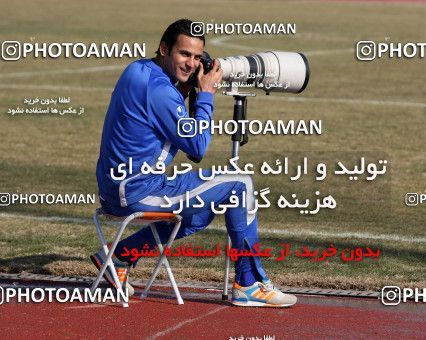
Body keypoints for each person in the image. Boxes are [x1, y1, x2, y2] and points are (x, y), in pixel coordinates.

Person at [91, 19, 297, 307]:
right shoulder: (161, 91)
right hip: (139, 192)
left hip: (115, 190)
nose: (191, 64)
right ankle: (249, 283)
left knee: (198, 213)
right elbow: (197, 147)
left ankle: (118, 256)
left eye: (197, 57)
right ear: (164, 48)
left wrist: (188, 90)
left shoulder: (136, 70)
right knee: (240, 184)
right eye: (184, 54)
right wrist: (206, 96)